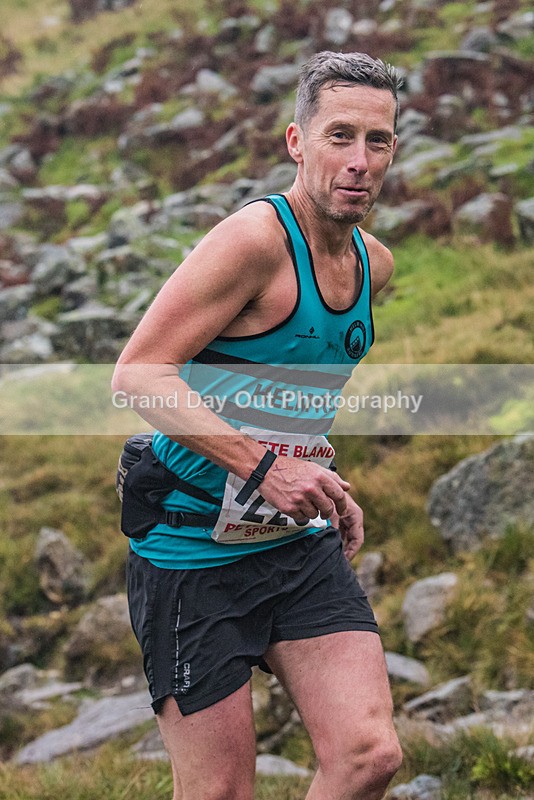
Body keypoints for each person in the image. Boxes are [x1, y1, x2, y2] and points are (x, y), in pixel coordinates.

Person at [112, 50, 403, 800]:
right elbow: (139, 374)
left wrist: (318, 472)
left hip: (294, 546)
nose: (360, 160)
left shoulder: (375, 263)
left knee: (370, 756)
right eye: (340, 135)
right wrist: (268, 468)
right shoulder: (253, 243)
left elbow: (286, 390)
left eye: (379, 140)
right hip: (189, 551)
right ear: (296, 142)